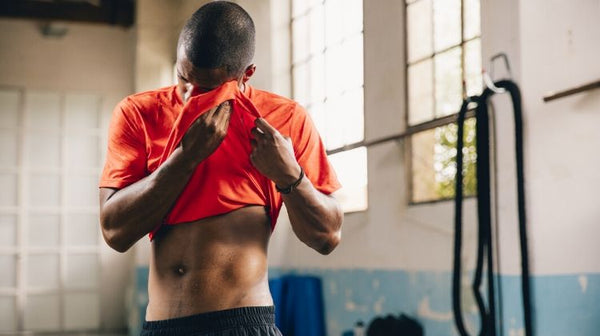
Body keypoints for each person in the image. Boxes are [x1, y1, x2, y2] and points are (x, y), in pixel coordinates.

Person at [98, 1, 343, 335]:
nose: (189, 95)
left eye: (207, 88)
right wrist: (184, 158)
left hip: (243, 325)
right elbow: (114, 232)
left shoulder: (283, 120)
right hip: (161, 326)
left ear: (246, 74)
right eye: (183, 77)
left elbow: (328, 236)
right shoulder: (138, 113)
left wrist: (289, 176)